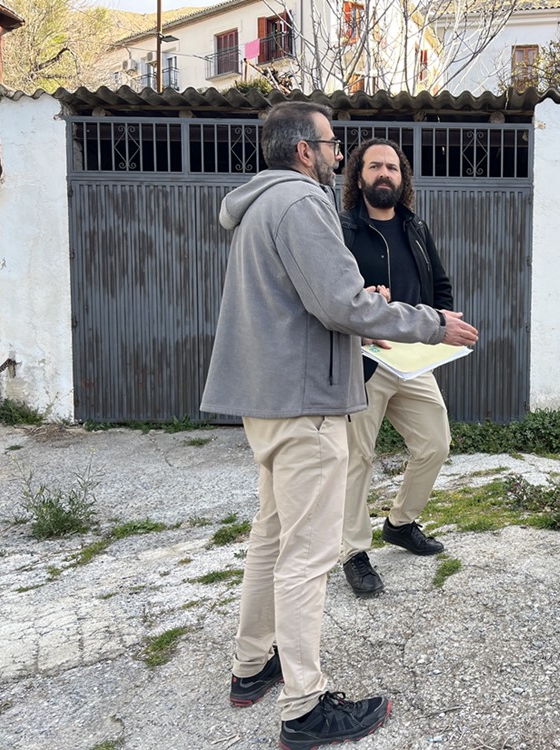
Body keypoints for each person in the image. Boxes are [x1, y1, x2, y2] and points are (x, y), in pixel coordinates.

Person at [200, 102, 478, 750]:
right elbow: (340, 305)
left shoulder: (261, 206)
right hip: (306, 406)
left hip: (269, 403)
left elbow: (315, 299)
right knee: (306, 556)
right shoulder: (302, 204)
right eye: (331, 143)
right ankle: (305, 706)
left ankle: (252, 665)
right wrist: (432, 322)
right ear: (304, 150)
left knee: (271, 538)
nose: (337, 153)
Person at [337, 138, 455, 598]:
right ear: (359, 176)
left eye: (392, 167)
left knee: (435, 443)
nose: (384, 174)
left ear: (402, 176)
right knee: (356, 459)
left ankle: (400, 523)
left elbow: (440, 286)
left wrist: (441, 331)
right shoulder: (343, 228)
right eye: (374, 167)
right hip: (361, 360)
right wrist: (368, 303)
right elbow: (334, 296)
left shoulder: (416, 227)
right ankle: (352, 551)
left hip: (412, 359)